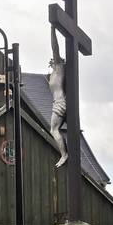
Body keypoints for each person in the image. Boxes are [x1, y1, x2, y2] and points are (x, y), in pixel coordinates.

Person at [48, 26, 68, 167]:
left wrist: (52, 30)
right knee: (53, 129)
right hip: (57, 101)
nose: (51, 61)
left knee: (53, 129)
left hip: (60, 102)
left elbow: (55, 47)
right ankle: (64, 153)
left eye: (53, 60)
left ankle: (64, 154)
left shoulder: (59, 69)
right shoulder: (54, 73)